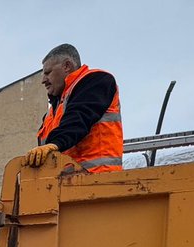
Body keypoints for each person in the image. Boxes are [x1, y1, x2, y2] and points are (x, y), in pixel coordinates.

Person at [26, 43, 123, 173]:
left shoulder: (96, 81)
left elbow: (79, 117)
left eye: (48, 73)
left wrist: (54, 144)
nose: (43, 80)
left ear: (67, 66)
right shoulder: (52, 112)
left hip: (98, 178)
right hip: (64, 185)